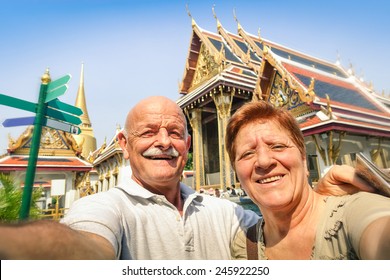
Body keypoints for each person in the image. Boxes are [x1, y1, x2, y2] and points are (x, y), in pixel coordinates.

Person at [0, 96, 376, 260]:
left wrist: (320, 198)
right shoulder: (102, 208)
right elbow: (83, 248)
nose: (163, 142)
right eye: (148, 133)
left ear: (188, 144)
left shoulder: (229, 216)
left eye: (174, 132)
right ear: (123, 145)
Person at [225, 101, 390, 260]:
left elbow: (380, 234)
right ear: (237, 173)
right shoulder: (245, 247)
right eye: (247, 154)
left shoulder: (352, 213)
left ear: (304, 160)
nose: (264, 161)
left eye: (277, 146)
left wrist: (377, 180)